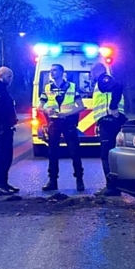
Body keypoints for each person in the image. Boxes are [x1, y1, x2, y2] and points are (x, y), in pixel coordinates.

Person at [40, 63, 85, 192]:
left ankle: (79, 180)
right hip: (54, 123)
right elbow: (39, 106)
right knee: (52, 152)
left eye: (54, 70)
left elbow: (81, 106)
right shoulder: (48, 88)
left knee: (74, 151)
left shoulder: (71, 86)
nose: (52, 72)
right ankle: (52, 181)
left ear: (61, 72)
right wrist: (46, 109)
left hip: (68, 122)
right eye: (51, 70)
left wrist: (67, 113)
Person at [88, 62, 126, 196]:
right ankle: (114, 186)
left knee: (106, 154)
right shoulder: (102, 82)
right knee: (111, 154)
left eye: (91, 73)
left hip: (110, 121)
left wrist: (113, 106)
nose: (91, 75)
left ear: (96, 72)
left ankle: (111, 187)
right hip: (108, 121)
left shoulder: (103, 79)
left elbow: (118, 86)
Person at [0, 66, 19, 196]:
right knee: (2, 156)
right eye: (8, 77)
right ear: (1, 76)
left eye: (11, 77)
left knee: (7, 156)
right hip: (1, 127)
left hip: (6, 127)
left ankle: (4, 183)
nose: (10, 79)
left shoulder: (4, 90)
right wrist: (7, 120)